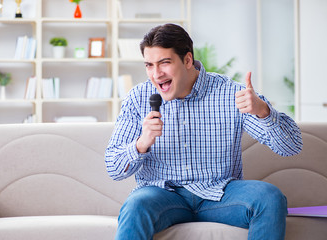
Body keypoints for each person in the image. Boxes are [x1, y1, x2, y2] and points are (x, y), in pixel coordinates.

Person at [105, 23, 303, 240]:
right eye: (149, 65)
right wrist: (141, 143)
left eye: (164, 63)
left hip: (220, 195)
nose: (156, 74)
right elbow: (114, 168)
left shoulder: (232, 94)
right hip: (162, 196)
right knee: (136, 205)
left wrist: (264, 111)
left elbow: (292, 146)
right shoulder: (137, 98)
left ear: (187, 60)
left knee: (269, 197)